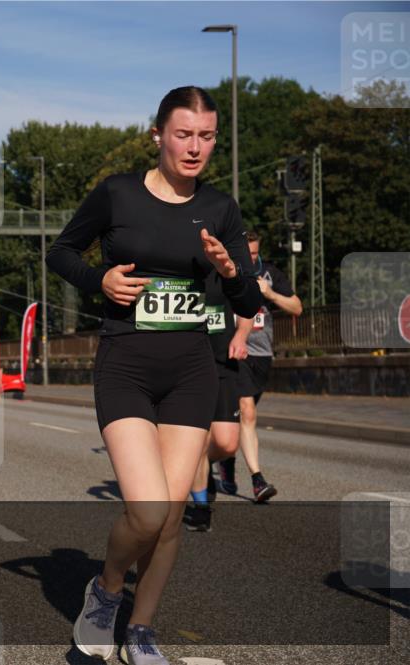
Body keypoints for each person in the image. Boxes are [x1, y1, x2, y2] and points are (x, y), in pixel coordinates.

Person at [46, 86, 261, 664]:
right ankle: (107, 591)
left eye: (207, 136)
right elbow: (61, 252)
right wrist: (100, 282)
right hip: (127, 365)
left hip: (192, 371)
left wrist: (229, 269)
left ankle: (141, 632)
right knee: (144, 510)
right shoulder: (117, 193)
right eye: (184, 134)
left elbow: (243, 297)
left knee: (167, 517)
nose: (195, 147)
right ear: (158, 135)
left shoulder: (220, 208)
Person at [219, 230, 303, 503]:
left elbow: (297, 308)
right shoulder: (227, 272)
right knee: (247, 412)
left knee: (239, 418)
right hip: (235, 350)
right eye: (246, 252)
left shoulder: (270, 274)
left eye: (254, 253)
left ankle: (226, 460)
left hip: (262, 355)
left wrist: (270, 294)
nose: (250, 257)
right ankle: (257, 479)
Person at [182, 272, 254, 532]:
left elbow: (248, 304)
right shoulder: (177, 268)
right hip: (186, 364)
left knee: (226, 443)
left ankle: (195, 463)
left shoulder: (223, 269)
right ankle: (201, 508)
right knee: (197, 442)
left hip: (223, 361)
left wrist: (241, 335)